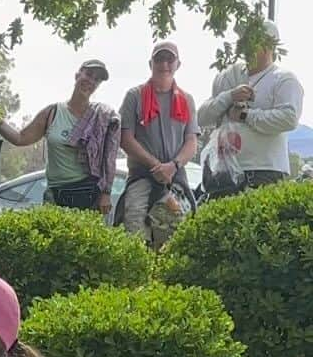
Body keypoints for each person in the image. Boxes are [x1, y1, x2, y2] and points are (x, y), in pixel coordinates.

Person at [0, 60, 118, 214]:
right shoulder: (53, 113)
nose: (91, 81)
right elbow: (20, 138)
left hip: (86, 195)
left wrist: (106, 193)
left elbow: (110, 156)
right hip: (54, 195)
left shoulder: (100, 117)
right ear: (77, 75)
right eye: (88, 74)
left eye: (97, 79)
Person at [198, 18, 304, 188]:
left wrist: (245, 115)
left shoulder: (284, 79)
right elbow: (202, 118)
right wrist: (229, 96)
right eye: (243, 39)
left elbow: (289, 118)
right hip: (223, 172)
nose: (245, 45)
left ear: (270, 45)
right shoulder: (229, 77)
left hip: (263, 171)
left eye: (253, 39)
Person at [117, 40, 199, 247]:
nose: (164, 64)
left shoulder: (187, 99)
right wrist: (155, 165)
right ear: (150, 63)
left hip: (175, 179)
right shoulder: (134, 96)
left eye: (169, 59)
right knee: (134, 224)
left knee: (176, 235)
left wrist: (173, 165)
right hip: (142, 176)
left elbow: (191, 141)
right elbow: (125, 139)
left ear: (178, 64)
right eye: (159, 59)